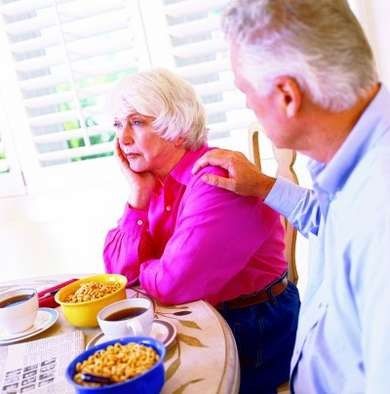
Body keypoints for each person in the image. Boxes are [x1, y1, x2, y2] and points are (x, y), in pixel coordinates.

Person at [193, 0, 390, 393]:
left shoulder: (381, 212)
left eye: (245, 90)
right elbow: (334, 221)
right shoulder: (357, 162)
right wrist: (263, 185)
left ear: (287, 95)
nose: (247, 102)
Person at [103, 68, 300, 393]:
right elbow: (118, 275)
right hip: (203, 314)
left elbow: (173, 285)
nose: (123, 139)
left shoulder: (215, 179)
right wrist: (137, 199)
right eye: (117, 124)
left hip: (255, 324)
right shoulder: (154, 180)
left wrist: (145, 269)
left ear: (176, 129)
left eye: (137, 122)